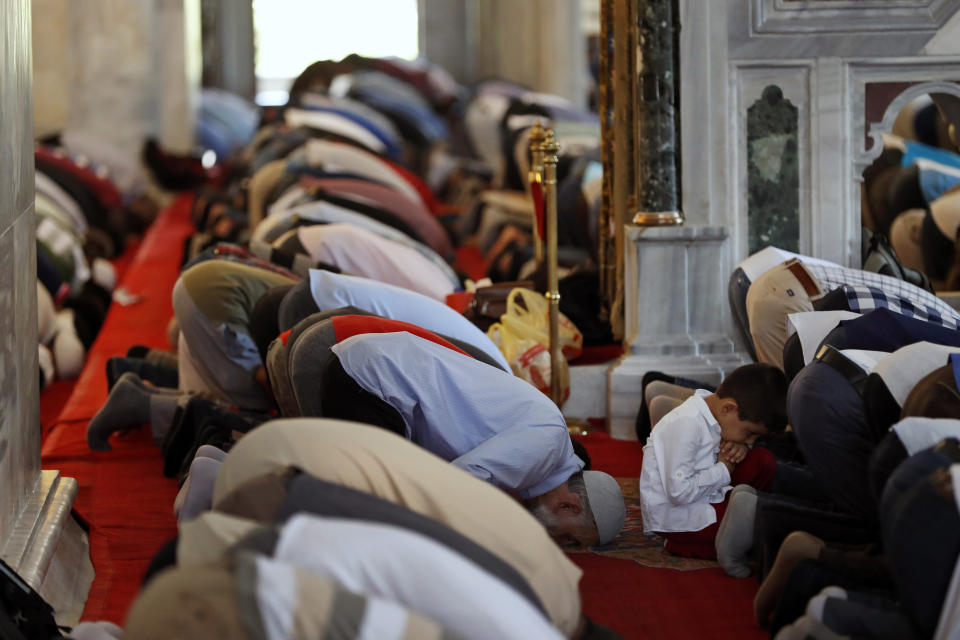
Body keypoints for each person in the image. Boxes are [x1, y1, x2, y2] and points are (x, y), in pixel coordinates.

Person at [211, 418, 589, 638]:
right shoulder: (547, 613)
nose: (565, 546)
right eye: (573, 537)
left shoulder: (522, 530)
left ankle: (212, 470)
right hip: (278, 487)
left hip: (285, 448)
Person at [638, 363, 787, 560]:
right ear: (728, 408)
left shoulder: (717, 412)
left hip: (708, 494)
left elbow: (737, 451)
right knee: (759, 525)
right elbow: (678, 493)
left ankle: (735, 530)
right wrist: (724, 468)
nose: (750, 441)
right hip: (678, 517)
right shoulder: (686, 424)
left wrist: (743, 447)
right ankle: (686, 544)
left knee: (763, 461)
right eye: (749, 433)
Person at [172, 260, 296, 410]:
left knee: (209, 391)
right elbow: (267, 381)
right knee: (251, 397)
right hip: (214, 300)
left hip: (199, 285)